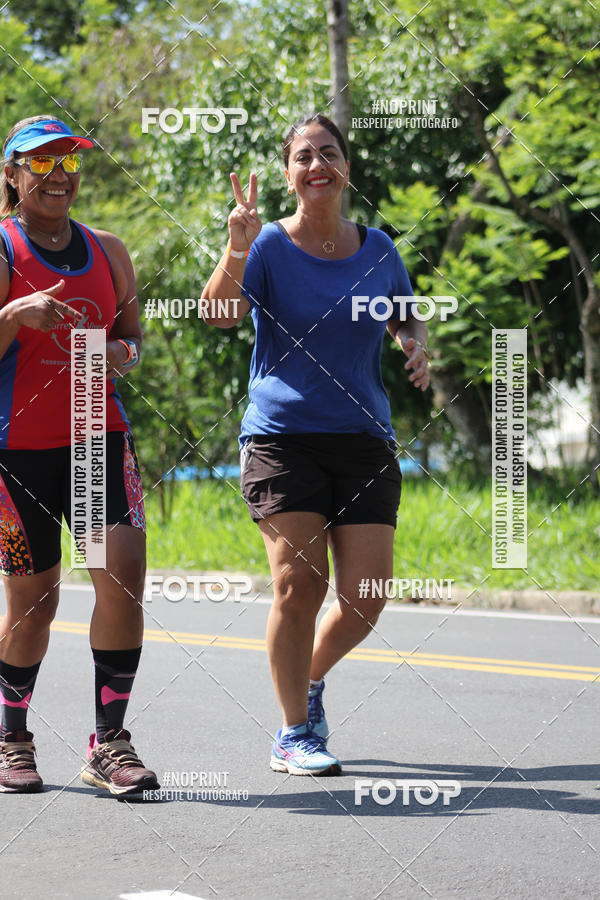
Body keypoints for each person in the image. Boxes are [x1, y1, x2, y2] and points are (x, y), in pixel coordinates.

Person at [202, 113, 431, 776]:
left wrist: (415, 344)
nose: (317, 165)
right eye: (303, 156)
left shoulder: (379, 250)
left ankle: (309, 681)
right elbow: (219, 313)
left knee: (366, 596)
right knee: (299, 584)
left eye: (328, 153)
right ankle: (292, 732)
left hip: (362, 437)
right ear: (289, 175)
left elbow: (404, 314)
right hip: (282, 438)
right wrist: (236, 245)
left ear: (347, 167)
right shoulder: (269, 245)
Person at [0, 115, 158, 795]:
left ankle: (109, 742)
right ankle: (11, 737)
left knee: (121, 577)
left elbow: (131, 335)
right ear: (12, 175)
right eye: (41, 163)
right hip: (17, 452)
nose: (58, 175)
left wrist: (121, 351)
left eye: (68, 162)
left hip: (98, 440)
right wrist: (11, 319)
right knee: (34, 603)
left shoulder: (108, 250)